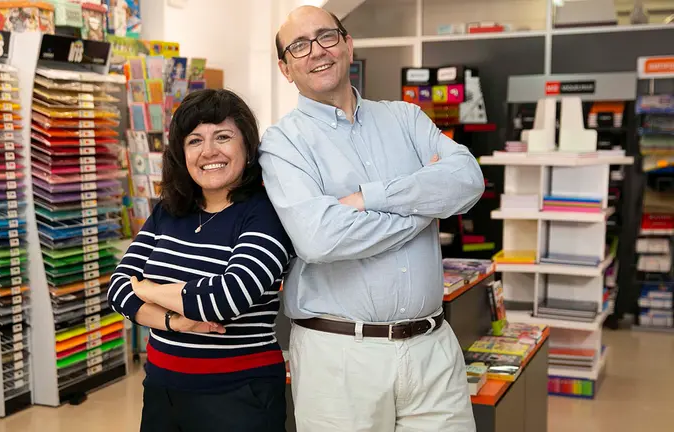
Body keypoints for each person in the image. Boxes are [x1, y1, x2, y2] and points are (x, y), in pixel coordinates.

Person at [259, 6, 486, 432]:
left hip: (432, 352)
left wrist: (369, 197)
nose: (316, 52)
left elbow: (468, 180)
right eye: (299, 46)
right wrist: (425, 207)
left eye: (326, 36)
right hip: (340, 360)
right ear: (285, 68)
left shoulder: (405, 117)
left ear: (347, 43)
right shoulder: (282, 143)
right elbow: (320, 239)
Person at [109, 89, 293, 432]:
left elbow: (223, 300)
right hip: (162, 389)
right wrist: (173, 321)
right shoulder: (168, 211)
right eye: (195, 141)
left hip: (241, 395)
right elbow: (118, 291)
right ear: (182, 153)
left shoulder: (266, 213)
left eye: (223, 137)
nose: (209, 151)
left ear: (248, 146)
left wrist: (146, 288)